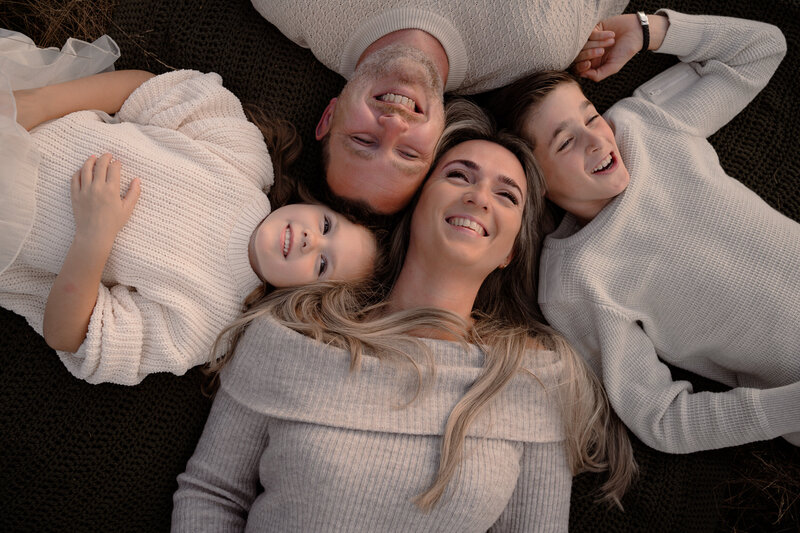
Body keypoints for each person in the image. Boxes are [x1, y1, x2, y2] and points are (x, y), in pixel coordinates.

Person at [171, 100, 636, 532]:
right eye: (459, 175)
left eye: (508, 196)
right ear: (418, 203)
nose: (479, 198)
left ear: (512, 250)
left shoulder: (536, 378)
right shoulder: (294, 333)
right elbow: (212, 494)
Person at [490, 10, 799, 453]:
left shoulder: (644, 126)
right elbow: (662, 420)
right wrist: (788, 408)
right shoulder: (576, 281)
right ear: (535, 183)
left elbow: (761, 49)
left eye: (590, 116)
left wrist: (648, 30)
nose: (596, 140)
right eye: (565, 142)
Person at [0, 31, 379, 385]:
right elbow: (145, 90)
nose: (311, 240)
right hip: (27, 111)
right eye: (327, 226)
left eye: (321, 265)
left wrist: (94, 235)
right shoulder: (244, 159)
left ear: (302, 306)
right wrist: (35, 103)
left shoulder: (203, 326)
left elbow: (67, 334)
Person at [250, 0, 630, 215]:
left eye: (364, 140)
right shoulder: (541, 43)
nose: (393, 126)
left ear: (329, 117)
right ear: (441, 140)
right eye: (409, 152)